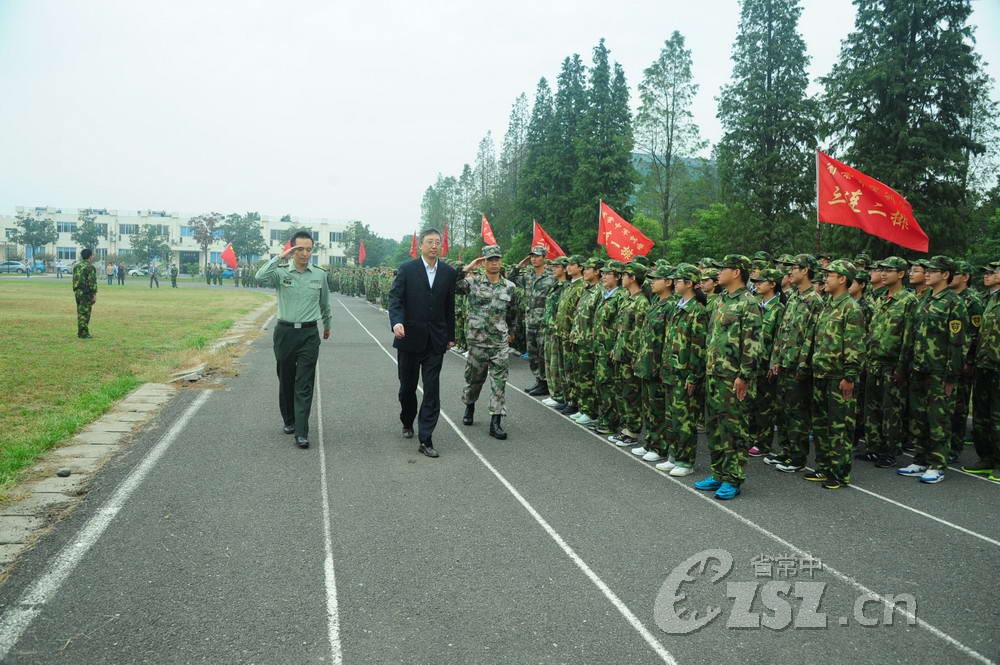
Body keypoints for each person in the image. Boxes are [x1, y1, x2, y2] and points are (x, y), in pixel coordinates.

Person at [693, 254, 762, 500]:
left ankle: (733, 478)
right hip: (714, 373)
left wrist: (744, 375)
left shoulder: (748, 303)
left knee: (734, 429)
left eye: (724, 268)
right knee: (714, 427)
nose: (718, 272)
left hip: (733, 377)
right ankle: (719, 473)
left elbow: (753, 344)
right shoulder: (721, 299)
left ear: (736, 272)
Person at [255, 232, 331, 448]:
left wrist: (327, 325)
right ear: (292, 250)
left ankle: (301, 430)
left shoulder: (319, 275)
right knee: (286, 378)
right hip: (285, 333)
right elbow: (259, 277)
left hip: (309, 334)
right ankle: (289, 420)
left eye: (309, 249)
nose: (305, 253)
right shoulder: (280, 273)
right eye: (300, 249)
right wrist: (280, 257)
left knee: (304, 383)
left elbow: (325, 302)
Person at [897, 255, 969, 484]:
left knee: (938, 418)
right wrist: (904, 364)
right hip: (919, 367)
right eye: (926, 270)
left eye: (932, 271)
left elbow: (958, 342)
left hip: (939, 371)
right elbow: (912, 334)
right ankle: (920, 459)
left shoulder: (954, 302)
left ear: (945, 275)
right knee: (918, 417)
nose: (926, 274)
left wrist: (951, 375)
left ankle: (937, 464)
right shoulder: (925, 298)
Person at [388, 228, 457, 458]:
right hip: (408, 338)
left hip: (435, 341)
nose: (434, 245)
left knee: (431, 390)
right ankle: (407, 420)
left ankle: (426, 438)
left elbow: (449, 306)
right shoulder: (407, 269)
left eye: (438, 242)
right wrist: (397, 322)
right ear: (421, 245)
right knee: (407, 388)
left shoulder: (448, 272)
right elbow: (395, 299)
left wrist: (450, 336)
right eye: (430, 242)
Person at [801, 260, 865, 489]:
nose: (825, 279)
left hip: (839, 377)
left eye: (830, 275)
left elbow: (854, 345)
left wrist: (849, 376)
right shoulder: (827, 305)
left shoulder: (851, 308)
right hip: (821, 374)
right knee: (820, 425)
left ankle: (839, 473)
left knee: (839, 426)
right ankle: (824, 467)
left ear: (843, 279)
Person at [458, 246, 517, 439]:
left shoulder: (510, 286)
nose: (494, 263)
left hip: (499, 343)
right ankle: (470, 405)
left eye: (497, 259)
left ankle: (496, 422)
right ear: (483, 262)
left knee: (499, 383)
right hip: (477, 342)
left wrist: (512, 332)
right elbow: (452, 286)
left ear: (501, 261)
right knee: (474, 380)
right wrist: (467, 268)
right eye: (490, 259)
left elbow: (513, 312)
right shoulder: (472, 282)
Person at [514, 245, 556, 396]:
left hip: (544, 322)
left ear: (544, 258)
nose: (533, 259)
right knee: (532, 353)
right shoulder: (528, 276)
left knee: (543, 353)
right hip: (530, 321)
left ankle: (545, 383)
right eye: (532, 256)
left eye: (537, 256)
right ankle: (538, 380)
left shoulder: (552, 277)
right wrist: (520, 265)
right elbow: (510, 278)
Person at [73, 248, 98, 339]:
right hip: (86, 293)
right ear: (90, 256)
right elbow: (92, 282)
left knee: (80, 312)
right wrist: (94, 294)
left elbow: (75, 279)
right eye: (92, 255)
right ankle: (83, 333)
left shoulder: (77, 266)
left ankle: (80, 332)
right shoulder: (90, 267)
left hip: (77, 292)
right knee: (85, 313)